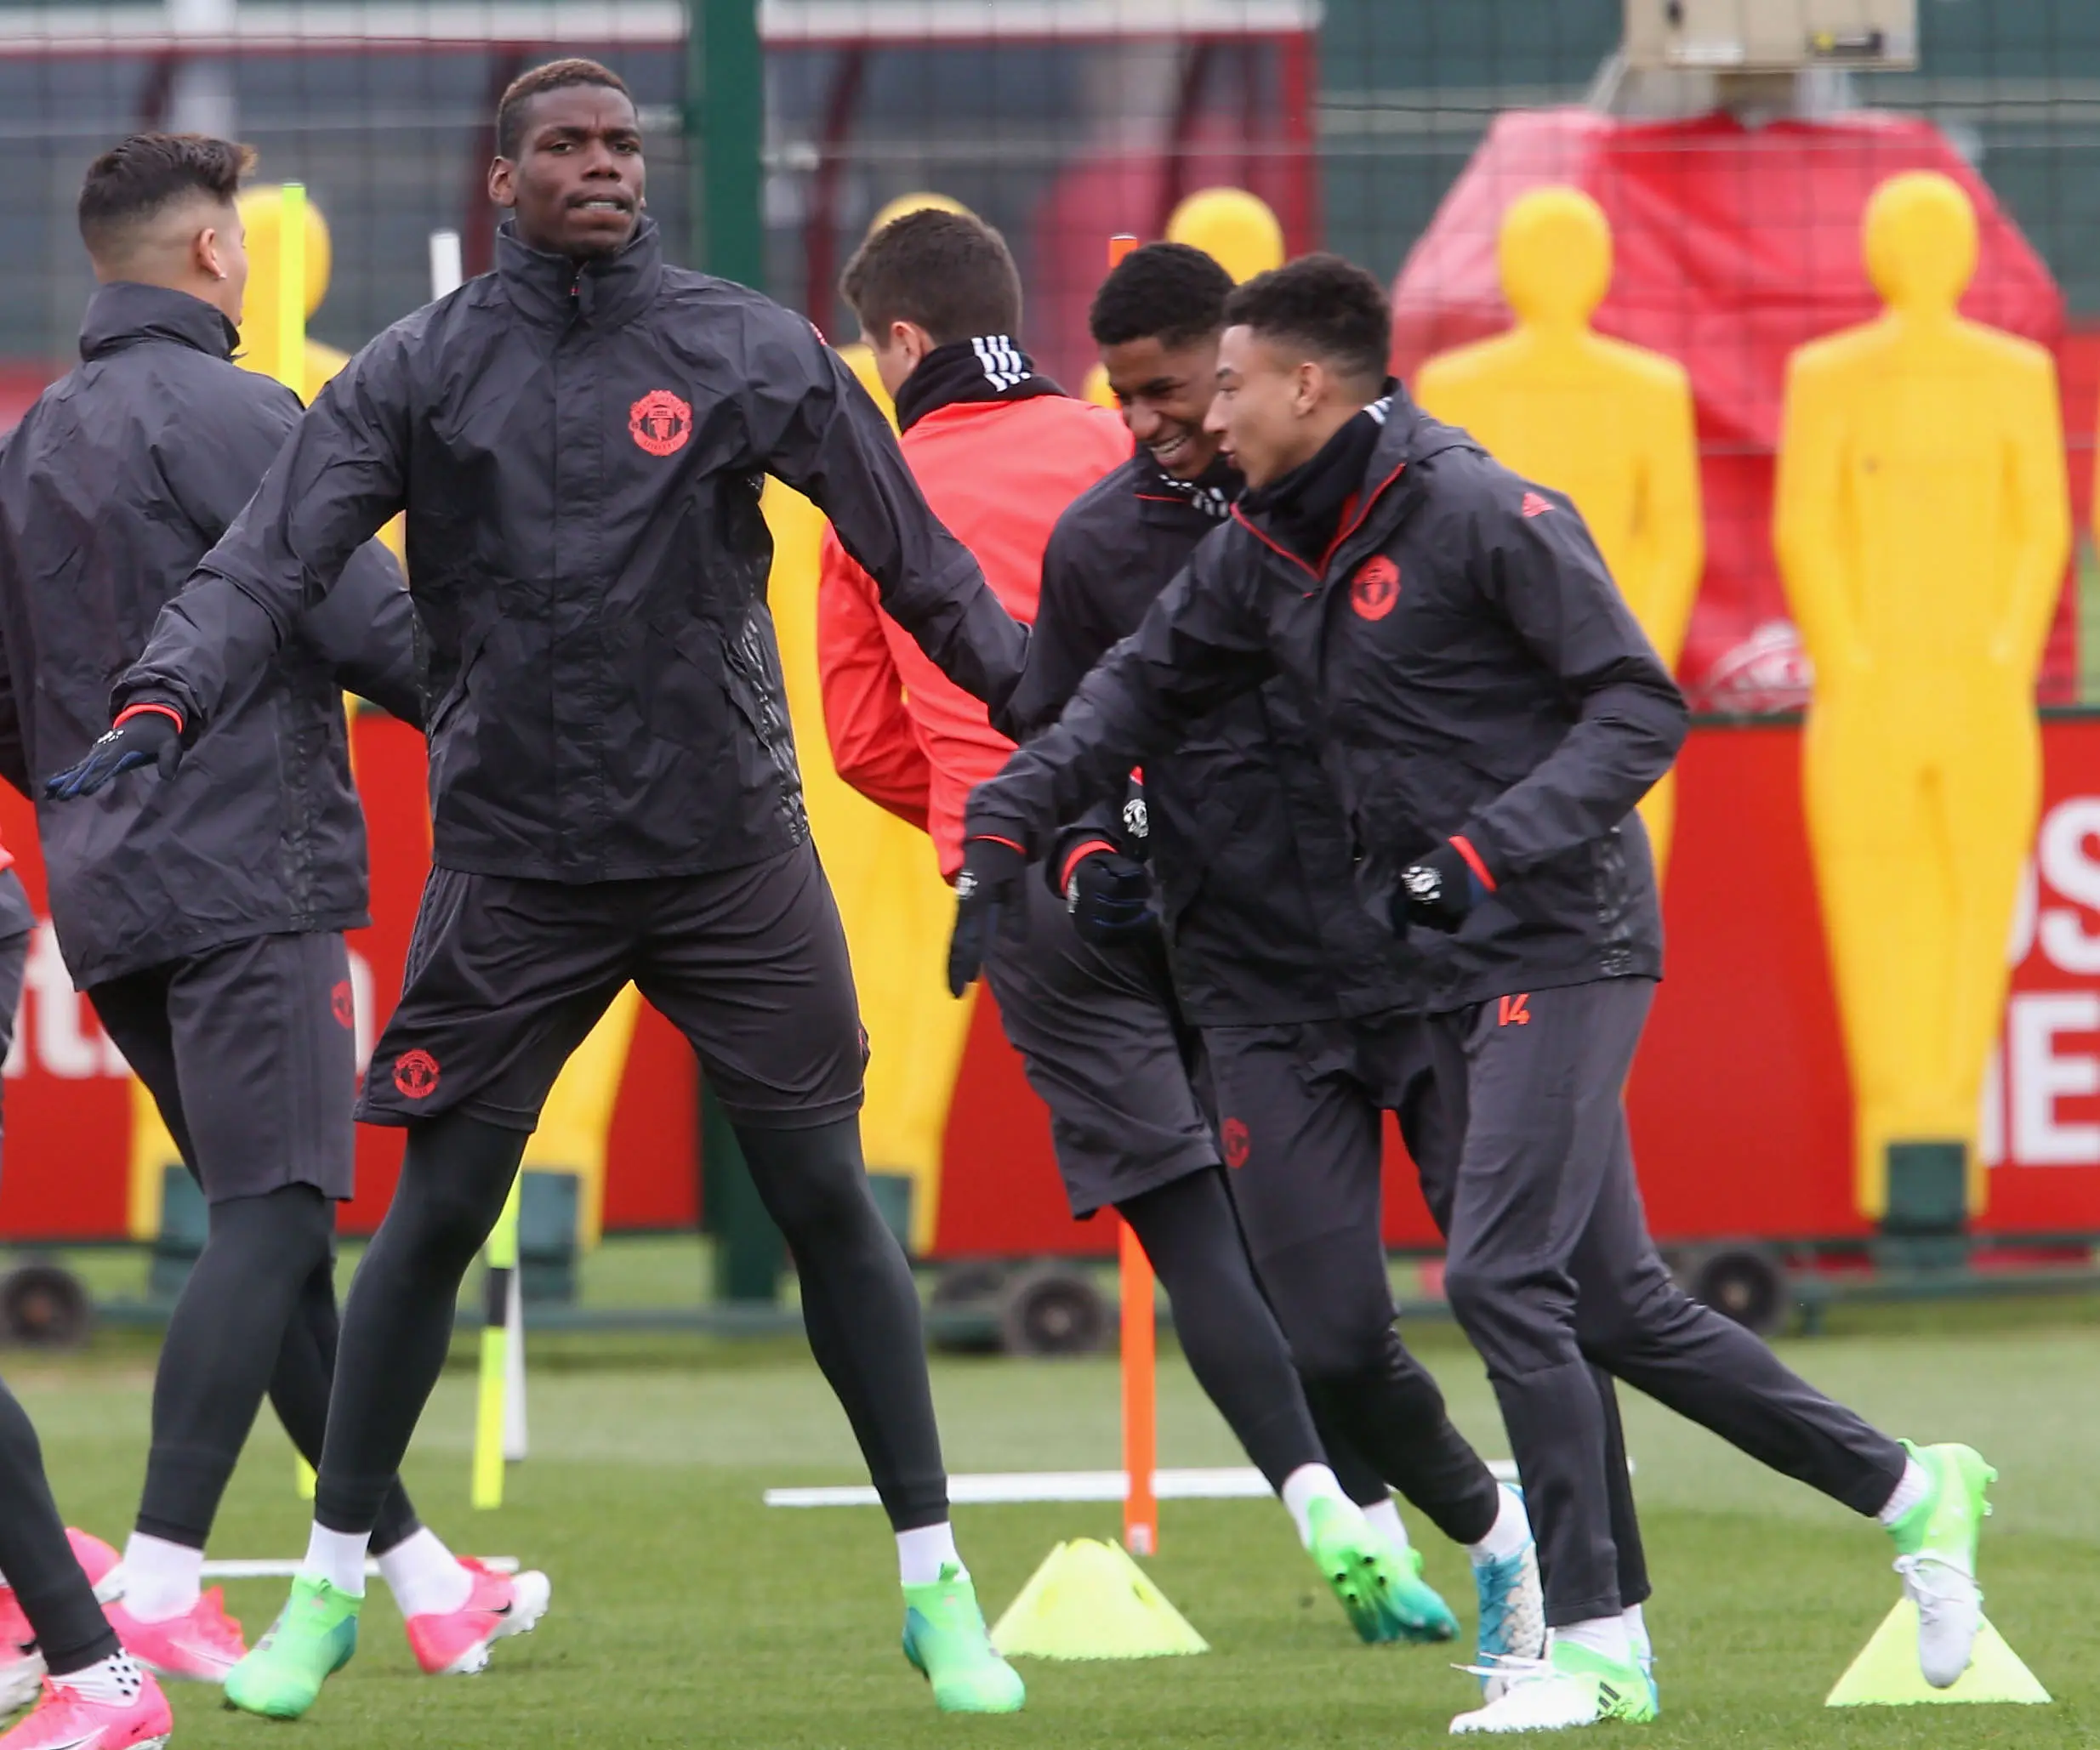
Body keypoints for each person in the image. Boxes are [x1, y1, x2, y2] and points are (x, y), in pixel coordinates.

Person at [50, 63, 1029, 1722]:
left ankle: (937, 1587)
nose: (604, 167)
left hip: (734, 856)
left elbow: (919, 564)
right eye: (566, 146)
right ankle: (336, 1595)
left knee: (826, 1206)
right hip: (517, 869)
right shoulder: (420, 372)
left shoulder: (741, 343)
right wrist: (164, 691)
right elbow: (270, 564)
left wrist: (1050, 725)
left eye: (622, 145)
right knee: (430, 1222)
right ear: (499, 180)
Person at [951, 252, 1993, 1735]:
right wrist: (1017, 822)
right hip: (1360, 965)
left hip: (1556, 931)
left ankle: (1599, 1647)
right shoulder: (1258, 545)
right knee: (1611, 1303)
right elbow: (1120, 692)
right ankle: (1910, 1485)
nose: (1194, 421)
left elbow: (1641, 699)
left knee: (1510, 1279)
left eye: (1219, 385)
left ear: (1306, 384)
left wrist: (1484, 853)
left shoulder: (1480, 509)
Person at [822, 210, 1471, 1645]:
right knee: (1283, 1208)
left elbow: (861, 736)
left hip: (1041, 890)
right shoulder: (1138, 455)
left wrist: (972, 811)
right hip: (1217, 862)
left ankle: (1329, 1504)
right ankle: (1432, 1499)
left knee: (1188, 1231)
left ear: (904, 345)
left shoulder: (871, 485)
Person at [0, 133, 545, 1693]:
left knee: (278, 1241)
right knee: (282, 1214)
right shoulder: (248, 414)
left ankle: (426, 1577)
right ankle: (163, 1571)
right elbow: (372, 623)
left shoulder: (27, 447)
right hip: (256, 872)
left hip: (107, 892)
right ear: (214, 257)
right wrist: (524, 701)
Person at [1005, 237, 1549, 1680]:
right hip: (1248, 984)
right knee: (1327, 1339)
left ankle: (1597, 1620)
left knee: (1528, 1297)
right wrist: (1086, 862)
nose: (1149, 424)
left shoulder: (1403, 502)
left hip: (1429, 959)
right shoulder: (1097, 545)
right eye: (1122, 400)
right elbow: (1059, 744)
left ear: (1248, 371)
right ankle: (1499, 1539)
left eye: (1174, 389)